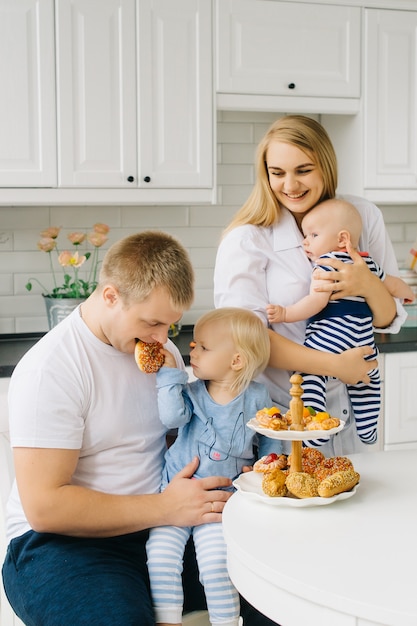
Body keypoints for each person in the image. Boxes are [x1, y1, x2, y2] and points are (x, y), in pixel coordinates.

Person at [2, 231, 242, 626]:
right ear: (111, 296)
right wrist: (167, 506)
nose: (162, 339)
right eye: (151, 322)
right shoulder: (53, 368)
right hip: (63, 545)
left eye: (171, 326)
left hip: (161, 529)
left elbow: (177, 441)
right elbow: (46, 508)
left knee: (275, 592)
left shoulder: (160, 360)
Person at [214, 115, 407, 457]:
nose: (290, 185)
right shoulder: (247, 239)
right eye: (277, 173)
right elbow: (246, 341)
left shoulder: (360, 215)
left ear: (327, 167)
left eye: (303, 170)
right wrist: (335, 366)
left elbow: (387, 317)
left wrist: (366, 283)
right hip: (287, 419)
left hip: (353, 413)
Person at [146, 307, 283, 626]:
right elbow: (171, 418)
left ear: (236, 361)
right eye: (193, 344)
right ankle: (168, 621)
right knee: (161, 558)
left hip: (219, 506)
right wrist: (169, 375)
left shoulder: (258, 398)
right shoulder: (192, 393)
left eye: (204, 347)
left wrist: (264, 471)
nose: (192, 350)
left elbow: (272, 438)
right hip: (172, 498)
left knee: (218, 564)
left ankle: (225, 621)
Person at [266, 197, 415, 446]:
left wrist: (285, 313)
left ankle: (314, 432)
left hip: (329, 336)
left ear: (342, 239)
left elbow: (316, 302)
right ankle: (368, 429)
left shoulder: (325, 265)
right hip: (362, 337)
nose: (306, 241)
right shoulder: (368, 264)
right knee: (369, 379)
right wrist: (408, 294)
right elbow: (392, 283)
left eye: (313, 235)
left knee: (310, 374)